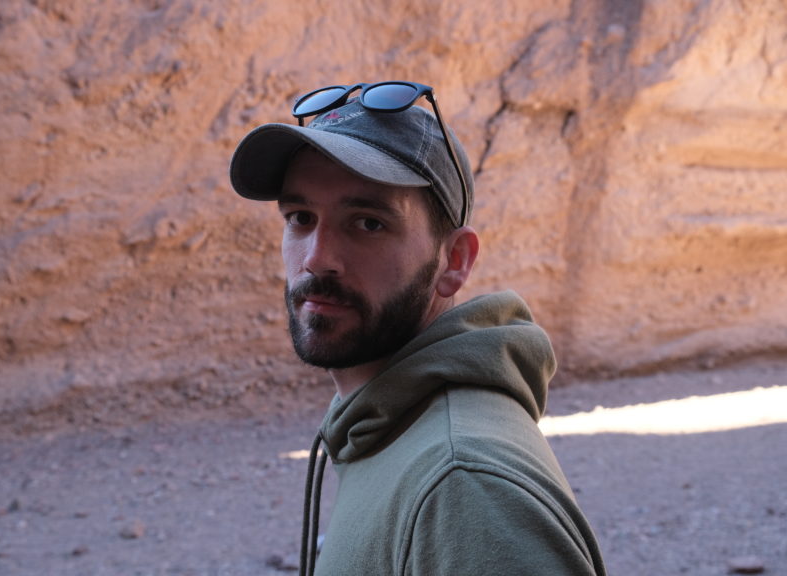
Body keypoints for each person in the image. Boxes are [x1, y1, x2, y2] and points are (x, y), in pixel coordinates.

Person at [229, 81, 606, 576]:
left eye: (367, 223)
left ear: (454, 260)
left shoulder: (465, 488)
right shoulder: (389, 425)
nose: (317, 259)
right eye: (300, 218)